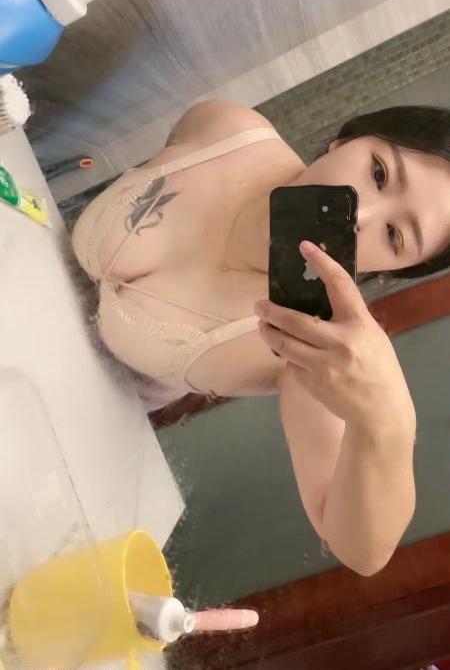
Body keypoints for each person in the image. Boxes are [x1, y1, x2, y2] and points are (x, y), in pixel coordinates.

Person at [72, 100, 450, 575]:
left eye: (394, 235)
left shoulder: (302, 341)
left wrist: (388, 422)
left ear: (389, 270)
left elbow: (362, 552)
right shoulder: (228, 127)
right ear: (345, 140)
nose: (361, 214)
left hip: (59, 415)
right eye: (378, 172)